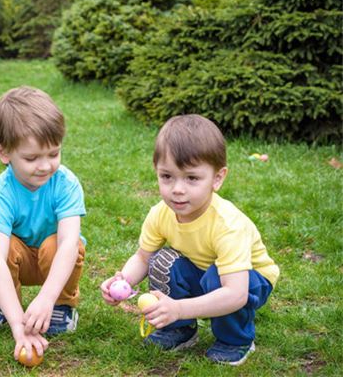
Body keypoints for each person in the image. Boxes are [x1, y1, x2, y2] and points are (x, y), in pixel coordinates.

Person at [100, 114, 279, 366]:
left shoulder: (228, 225)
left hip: (248, 280)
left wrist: (181, 306)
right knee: (162, 260)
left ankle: (235, 339)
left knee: (217, 277)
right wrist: (123, 282)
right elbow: (143, 257)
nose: (177, 189)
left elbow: (236, 293)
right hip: (205, 272)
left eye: (192, 178)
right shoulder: (160, 213)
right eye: (167, 176)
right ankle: (179, 328)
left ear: (217, 178)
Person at [0, 86, 86, 363]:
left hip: (54, 260)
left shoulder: (66, 184)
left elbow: (69, 243)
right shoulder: (2, 193)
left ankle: (62, 305)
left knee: (55, 244)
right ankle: (2, 305)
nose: (45, 166)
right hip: (17, 260)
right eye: (32, 158)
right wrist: (18, 325)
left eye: (53, 154)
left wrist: (46, 298)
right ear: (4, 153)